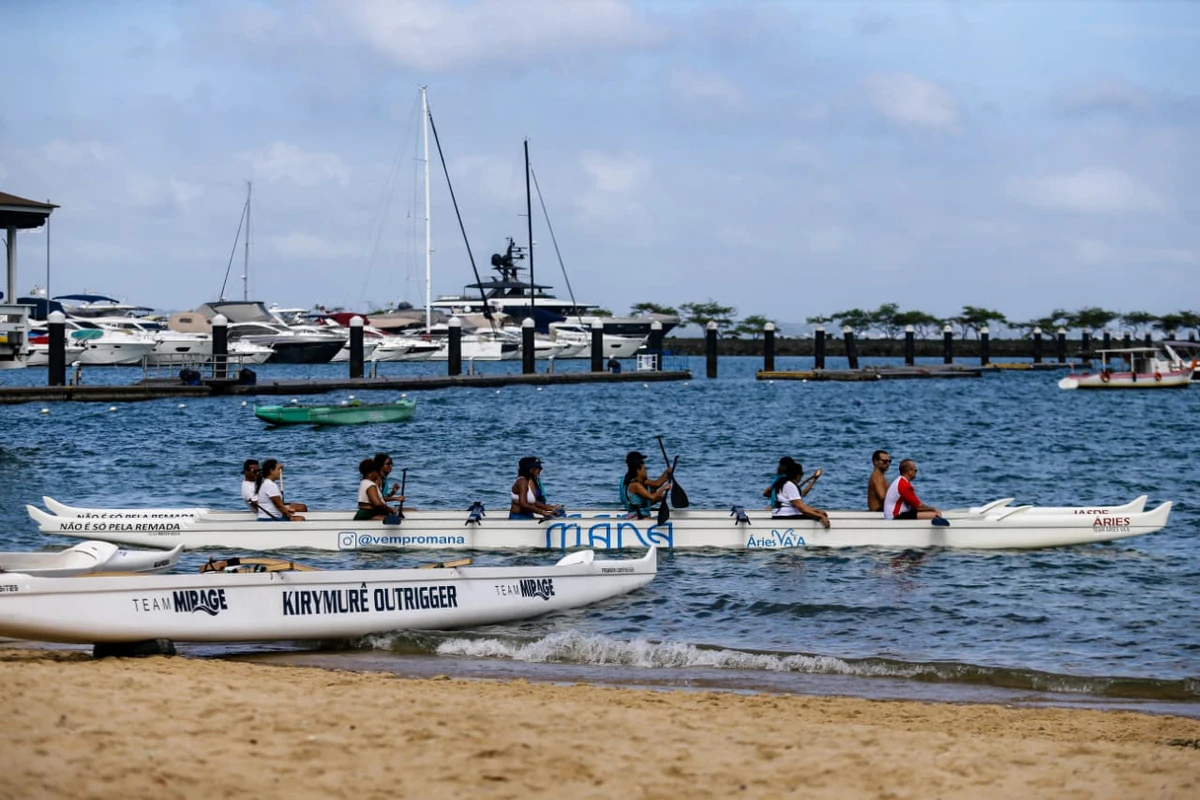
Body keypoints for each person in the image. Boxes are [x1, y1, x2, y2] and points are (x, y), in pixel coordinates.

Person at [882, 458, 947, 525]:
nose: (916, 472)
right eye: (915, 470)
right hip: (895, 517)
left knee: (925, 512)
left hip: (894, 516)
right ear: (909, 471)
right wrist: (934, 509)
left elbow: (915, 506)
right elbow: (919, 506)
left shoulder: (900, 481)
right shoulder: (903, 485)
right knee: (935, 515)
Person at [770, 460, 830, 528]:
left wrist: (817, 511)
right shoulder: (790, 485)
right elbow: (802, 509)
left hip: (780, 514)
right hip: (785, 515)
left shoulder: (782, 483)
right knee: (817, 517)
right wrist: (820, 516)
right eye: (802, 475)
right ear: (798, 475)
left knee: (817, 514)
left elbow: (801, 505)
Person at [619, 451, 672, 519]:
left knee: (657, 495)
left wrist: (667, 473)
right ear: (638, 470)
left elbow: (657, 484)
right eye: (645, 469)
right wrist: (664, 488)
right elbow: (652, 497)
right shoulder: (635, 485)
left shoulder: (631, 479)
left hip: (635, 514)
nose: (646, 471)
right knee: (657, 496)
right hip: (638, 516)